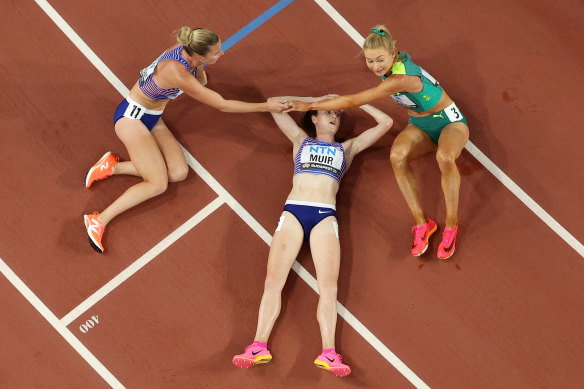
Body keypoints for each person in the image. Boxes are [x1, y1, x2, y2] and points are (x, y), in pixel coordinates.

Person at [83, 26, 289, 253]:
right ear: (200, 54)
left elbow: (201, 83)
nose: (222, 54)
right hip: (132, 119)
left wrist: (202, 65)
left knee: (178, 172)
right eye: (217, 52)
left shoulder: (189, 54)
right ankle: (99, 219)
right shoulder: (176, 72)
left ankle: (113, 167)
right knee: (157, 184)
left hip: (152, 117)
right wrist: (266, 107)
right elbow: (221, 103)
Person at [232, 95, 393, 377]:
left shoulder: (348, 148)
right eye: (327, 113)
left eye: (338, 114)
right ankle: (258, 346)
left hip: (324, 216)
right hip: (293, 212)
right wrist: (317, 99)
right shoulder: (300, 140)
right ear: (314, 118)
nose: (333, 117)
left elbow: (386, 122)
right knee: (273, 281)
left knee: (329, 288)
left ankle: (329, 353)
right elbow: (274, 103)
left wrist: (352, 100)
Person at [289, 25, 469, 260]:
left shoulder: (400, 78)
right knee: (397, 156)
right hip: (420, 125)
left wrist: (309, 105)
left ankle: (451, 225)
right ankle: (423, 224)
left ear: (394, 52)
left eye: (380, 59)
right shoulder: (393, 64)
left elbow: (354, 100)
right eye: (370, 61)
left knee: (444, 157)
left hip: (449, 122)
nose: (376, 66)